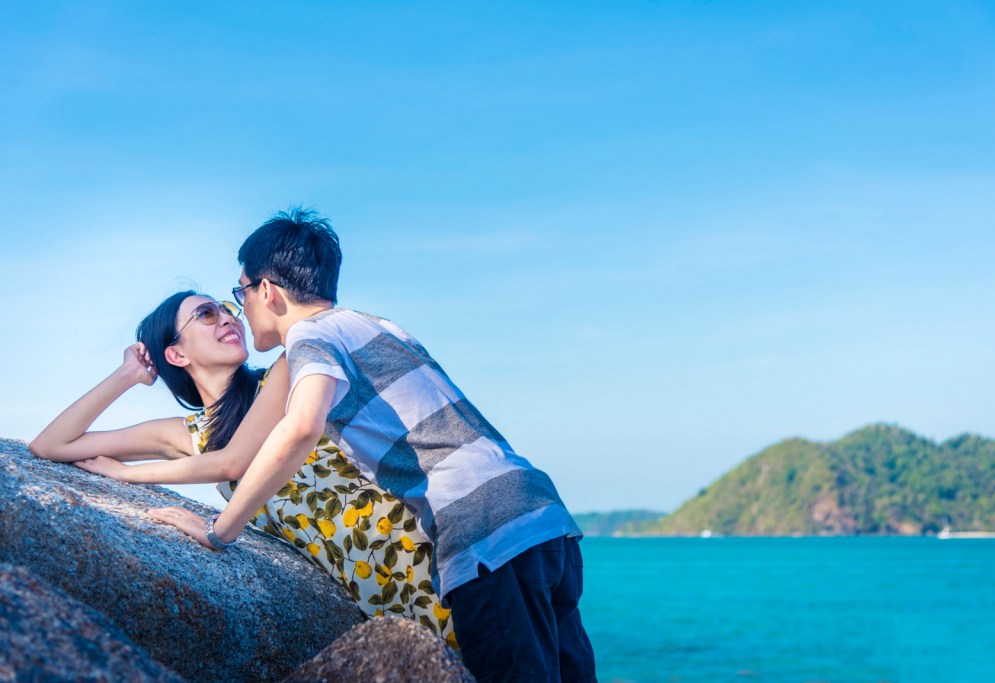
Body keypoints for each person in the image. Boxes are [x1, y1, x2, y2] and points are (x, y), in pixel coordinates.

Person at [153, 209, 596, 682]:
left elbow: (302, 427)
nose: (239, 310)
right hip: (542, 516)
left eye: (241, 293)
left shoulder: (308, 336)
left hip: (481, 529)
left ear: (268, 291)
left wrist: (221, 530)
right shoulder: (377, 325)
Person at [29, 292, 456, 645]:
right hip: (359, 577)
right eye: (206, 314)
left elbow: (234, 460)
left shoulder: (288, 371)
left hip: (408, 546)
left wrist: (127, 474)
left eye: (228, 308)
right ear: (175, 353)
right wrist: (127, 375)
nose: (228, 319)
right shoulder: (190, 433)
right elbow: (50, 445)